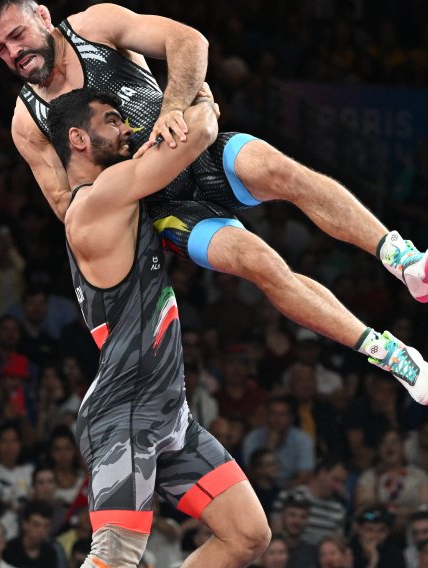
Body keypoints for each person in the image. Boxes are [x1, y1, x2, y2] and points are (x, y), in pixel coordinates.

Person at [0, 0, 428, 405]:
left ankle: (403, 260)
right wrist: (133, 185)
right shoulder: (28, 122)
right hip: (162, 210)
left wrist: (176, 105)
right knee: (260, 263)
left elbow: (188, 41)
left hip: (194, 149)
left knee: (281, 170)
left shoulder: (93, 26)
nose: (13, 53)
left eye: (16, 36)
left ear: (41, 16)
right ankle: (391, 354)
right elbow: (70, 209)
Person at [48, 85, 270, 566]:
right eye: (110, 120)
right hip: (125, 411)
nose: (124, 127)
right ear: (77, 138)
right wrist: (201, 103)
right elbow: (198, 136)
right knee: (116, 556)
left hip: (170, 415)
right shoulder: (95, 202)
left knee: (247, 535)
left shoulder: (120, 194)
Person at [2, 500, 64, 568]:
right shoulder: (8, 549)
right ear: (25, 524)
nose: (41, 531)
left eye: (46, 526)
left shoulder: (50, 553)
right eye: (36, 525)